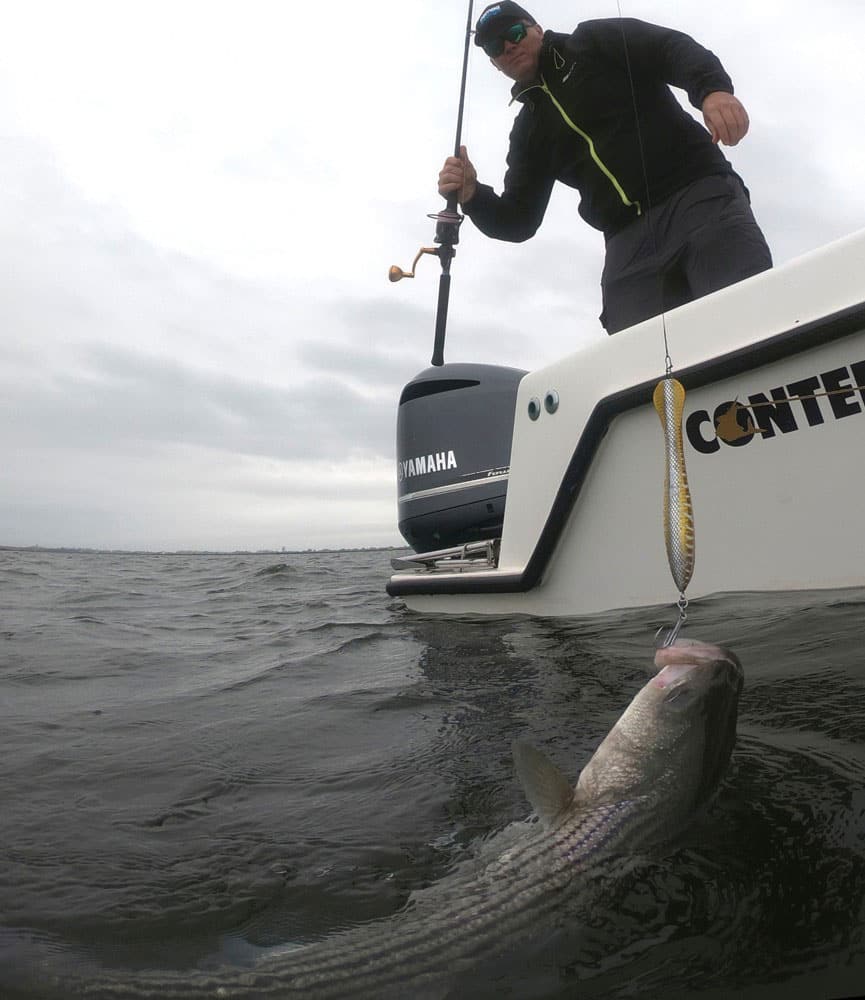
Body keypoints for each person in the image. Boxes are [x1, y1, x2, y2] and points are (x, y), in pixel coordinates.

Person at [437, 2, 772, 334]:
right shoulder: (528, 130)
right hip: (626, 243)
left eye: (514, 32)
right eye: (496, 46)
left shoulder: (591, 41)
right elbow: (519, 219)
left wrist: (711, 90)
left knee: (746, 325)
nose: (508, 46)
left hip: (697, 197)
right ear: (495, 64)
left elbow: (668, 48)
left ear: (537, 30)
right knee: (642, 373)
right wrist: (472, 195)